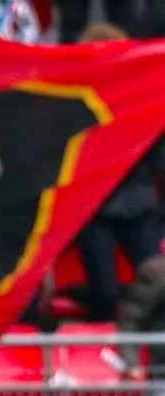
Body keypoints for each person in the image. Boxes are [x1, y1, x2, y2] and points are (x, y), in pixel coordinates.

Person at [73, 23, 165, 322]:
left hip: (137, 204)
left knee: (160, 287)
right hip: (93, 208)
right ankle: (96, 358)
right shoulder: (74, 99)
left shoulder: (143, 96)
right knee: (105, 293)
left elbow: (159, 155)